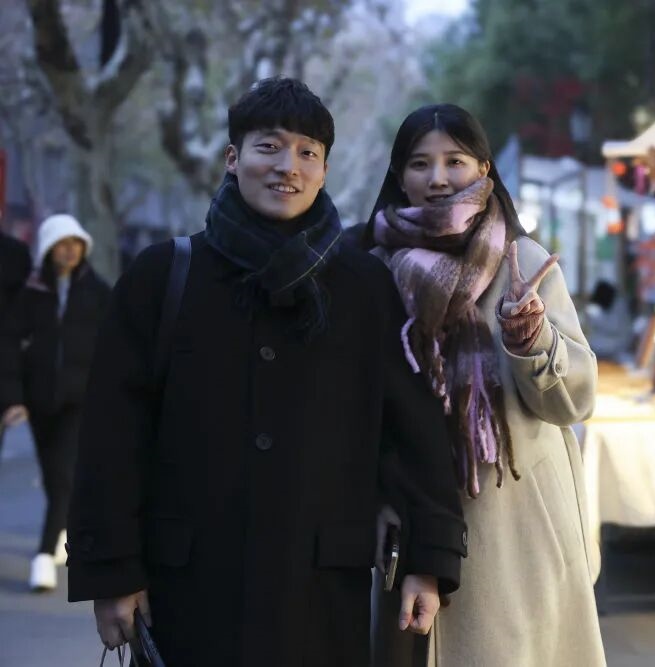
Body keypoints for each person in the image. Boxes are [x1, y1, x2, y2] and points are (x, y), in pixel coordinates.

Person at [67, 78, 467, 666]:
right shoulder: (163, 276)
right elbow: (111, 437)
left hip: (321, 592)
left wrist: (428, 563)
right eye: (269, 147)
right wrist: (111, 572)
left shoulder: (364, 286)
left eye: (308, 152)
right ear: (233, 158)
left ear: (324, 171)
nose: (288, 167)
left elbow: (414, 433)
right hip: (188, 591)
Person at [366, 104, 605, 666]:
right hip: (413, 517)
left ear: (484, 169)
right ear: (399, 175)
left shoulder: (524, 260)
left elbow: (575, 400)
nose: (438, 177)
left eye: (455, 160)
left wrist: (531, 339)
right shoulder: (373, 268)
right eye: (420, 163)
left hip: (517, 526)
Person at [0, 214, 110, 592]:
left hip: (80, 400)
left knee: (63, 474)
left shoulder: (97, 291)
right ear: (48, 249)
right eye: (62, 245)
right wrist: (14, 399)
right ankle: (60, 529)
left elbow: (117, 344)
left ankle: (44, 555)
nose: (70, 251)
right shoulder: (30, 293)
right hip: (39, 400)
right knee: (52, 474)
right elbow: (9, 348)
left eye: (76, 244)